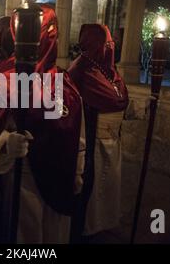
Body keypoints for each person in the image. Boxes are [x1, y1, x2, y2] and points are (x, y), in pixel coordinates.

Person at [0, 4, 85, 243]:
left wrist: (77, 169)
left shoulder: (63, 82)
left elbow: (77, 130)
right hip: (21, 178)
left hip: (60, 178)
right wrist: (4, 143)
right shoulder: (2, 79)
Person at [68, 24, 129, 237]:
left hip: (112, 141)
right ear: (96, 44)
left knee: (109, 187)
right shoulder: (81, 69)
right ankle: (88, 228)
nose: (112, 44)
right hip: (93, 142)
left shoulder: (106, 69)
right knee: (93, 192)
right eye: (107, 41)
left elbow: (119, 98)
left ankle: (103, 224)